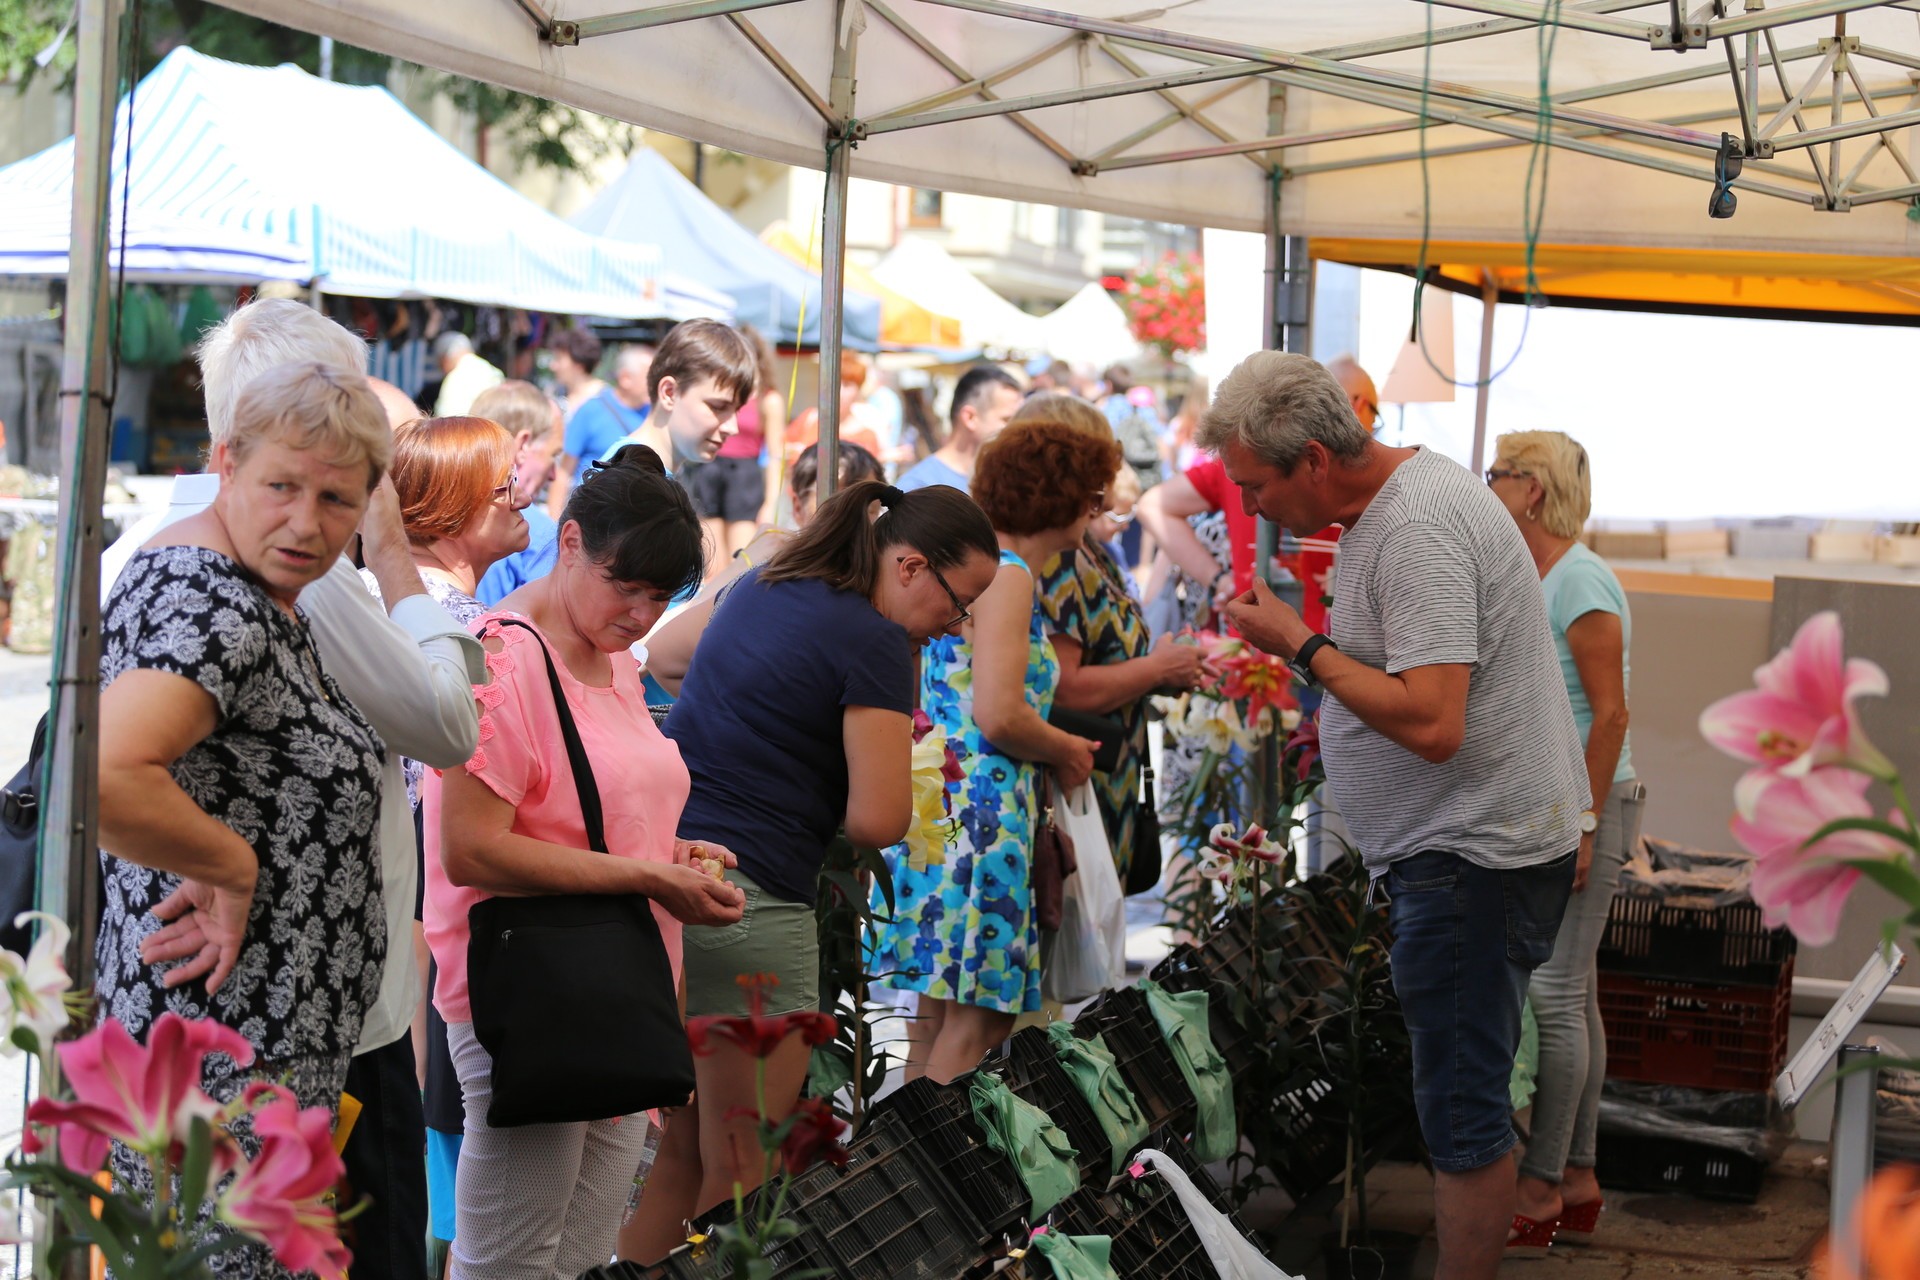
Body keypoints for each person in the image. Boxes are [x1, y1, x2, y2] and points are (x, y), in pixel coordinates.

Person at [98, 298, 482, 1280]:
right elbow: (104, 772)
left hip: (260, 1067)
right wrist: (227, 863)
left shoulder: (250, 584)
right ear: (226, 462)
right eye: (282, 487)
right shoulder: (213, 599)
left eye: (340, 500)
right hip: (228, 1079)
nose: (308, 524)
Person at [1208, 351, 1586, 1280]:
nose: (1251, 507)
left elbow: (1432, 721)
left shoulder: (1415, 526)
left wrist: (1301, 643)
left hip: (1471, 857)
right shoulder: (1401, 501)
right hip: (1470, 849)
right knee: (1463, 1098)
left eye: (1256, 486)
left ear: (1313, 461)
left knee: (1461, 1114)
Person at [624, 479, 1000, 1263]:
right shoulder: (875, 639)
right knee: (747, 1174)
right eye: (957, 605)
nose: (955, 627)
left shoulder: (767, 578)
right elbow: (877, 820)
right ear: (910, 566)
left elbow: (667, 656)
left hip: (671, 875)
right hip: (751, 903)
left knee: (680, 1156)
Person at [424, 446, 746, 1280]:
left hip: (617, 984)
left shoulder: (614, 659)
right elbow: (471, 849)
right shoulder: (501, 657)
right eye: (624, 585)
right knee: (510, 1261)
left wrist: (673, 854)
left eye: (660, 597)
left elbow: (594, 814)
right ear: (570, 543)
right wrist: (652, 876)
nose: (641, 614)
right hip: (530, 992)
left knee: (581, 1256)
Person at [871, 419, 1117, 1082]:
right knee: (978, 1021)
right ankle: (941, 1148)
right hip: (983, 811)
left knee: (933, 1017)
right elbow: (1000, 711)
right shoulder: (1008, 575)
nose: (1097, 511)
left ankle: (906, 1146)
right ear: (1062, 497)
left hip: (944, 802)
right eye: (1093, 496)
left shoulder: (990, 569)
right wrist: (1068, 748)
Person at [1487, 431, 1639, 1254]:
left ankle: (1541, 1186)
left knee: (1553, 997)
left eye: (1497, 473)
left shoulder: (1579, 578)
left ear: (1532, 489)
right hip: (1563, 804)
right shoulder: (1538, 574)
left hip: (1588, 805)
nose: (1487, 485)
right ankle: (1576, 1178)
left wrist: (1583, 826)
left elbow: (1610, 716)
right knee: (1574, 996)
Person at [1020, 395, 1212, 887]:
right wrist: (1156, 669)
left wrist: (1163, 666)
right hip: (1077, 787)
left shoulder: (1087, 547)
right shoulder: (1058, 555)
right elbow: (1063, 690)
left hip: (1105, 779)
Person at [1138, 356, 1379, 637]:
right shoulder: (1245, 460)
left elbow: (1153, 506)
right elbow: (1153, 506)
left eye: (1256, 486)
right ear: (1359, 405)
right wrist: (1219, 580)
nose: (1249, 507)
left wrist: (1220, 581)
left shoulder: (1252, 460)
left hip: (1294, 642)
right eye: (1375, 416)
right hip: (1283, 641)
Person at [641, 440, 886, 698]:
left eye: (870, 511)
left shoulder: (880, 591)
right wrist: (744, 565)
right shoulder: (771, 580)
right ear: (797, 505)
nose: (853, 525)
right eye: (836, 507)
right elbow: (652, 657)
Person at [686, 324, 785, 576]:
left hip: (744, 477)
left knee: (742, 563)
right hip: (710, 469)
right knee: (710, 564)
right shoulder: (719, 391)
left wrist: (771, 501)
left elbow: (776, 454)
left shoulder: (768, 398)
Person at [598, 320, 755, 473]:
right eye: (718, 407)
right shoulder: (628, 480)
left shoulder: (645, 474)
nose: (732, 428)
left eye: (737, 410)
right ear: (669, 393)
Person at [471, 380, 565, 605]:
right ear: (523, 445)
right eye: (553, 455)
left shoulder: (451, 515)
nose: (554, 475)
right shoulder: (538, 533)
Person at [895, 364, 1023, 493]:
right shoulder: (918, 488)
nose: (1018, 428)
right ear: (970, 418)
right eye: (1007, 419)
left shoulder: (1009, 479)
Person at [555, 342, 653, 506]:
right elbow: (564, 472)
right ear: (625, 378)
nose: (656, 383)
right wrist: (555, 519)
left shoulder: (654, 414)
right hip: (593, 510)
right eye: (650, 377)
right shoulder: (591, 410)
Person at [786, 350, 885, 462]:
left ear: (858, 391)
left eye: (847, 385)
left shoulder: (867, 436)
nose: (838, 391)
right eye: (834, 383)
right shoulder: (809, 418)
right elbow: (779, 449)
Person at [433, 332, 505, 417]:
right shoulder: (492, 371)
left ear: (444, 358)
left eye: (440, 364)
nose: (441, 369)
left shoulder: (455, 378)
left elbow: (448, 419)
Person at [547, 325, 607, 421]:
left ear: (579, 364)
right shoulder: (556, 394)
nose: (552, 366)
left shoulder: (606, 400)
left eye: (559, 359)